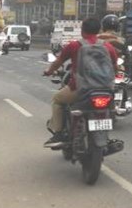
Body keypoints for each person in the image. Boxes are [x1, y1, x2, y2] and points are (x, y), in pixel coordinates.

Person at [42, 16, 118, 148]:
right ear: (99, 30)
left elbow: (58, 62)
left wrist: (49, 71)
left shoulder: (74, 45)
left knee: (57, 99)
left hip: (81, 89)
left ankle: (58, 134)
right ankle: (106, 136)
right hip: (105, 90)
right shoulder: (108, 47)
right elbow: (114, 67)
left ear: (82, 31)